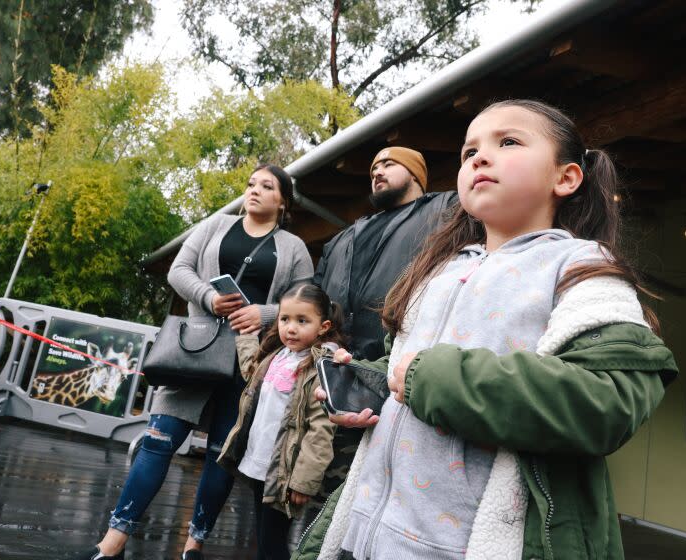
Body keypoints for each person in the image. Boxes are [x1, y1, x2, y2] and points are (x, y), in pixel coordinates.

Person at [295, 99, 678, 560]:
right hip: (364, 536)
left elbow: (611, 399)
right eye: (468, 151)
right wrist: (370, 382)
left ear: (566, 178)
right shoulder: (435, 272)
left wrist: (433, 379)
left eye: (508, 141)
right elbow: (407, 371)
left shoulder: (582, 267)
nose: (479, 157)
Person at [75, 164, 314, 560]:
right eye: (251, 183)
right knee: (159, 438)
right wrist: (208, 297)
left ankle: (194, 544)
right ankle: (113, 541)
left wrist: (265, 315)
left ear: (282, 201)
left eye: (266, 186)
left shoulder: (293, 248)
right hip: (195, 348)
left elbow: (304, 302)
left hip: (249, 359)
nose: (254, 190)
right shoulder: (216, 225)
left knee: (221, 453)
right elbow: (178, 271)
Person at [314, 146, 458, 494]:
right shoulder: (345, 237)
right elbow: (314, 293)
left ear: (415, 174)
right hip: (336, 376)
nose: (377, 171)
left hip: (399, 379)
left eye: (389, 164)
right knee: (317, 493)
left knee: (375, 487)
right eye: (374, 167)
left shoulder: (445, 209)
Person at [217, 284, 346, 560]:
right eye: (285, 319)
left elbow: (321, 429)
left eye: (302, 321)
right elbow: (251, 368)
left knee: (272, 541)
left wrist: (303, 481)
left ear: (323, 327)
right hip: (260, 462)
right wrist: (247, 335)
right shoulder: (279, 355)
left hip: (286, 474)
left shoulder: (320, 368)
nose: (291, 328)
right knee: (263, 537)